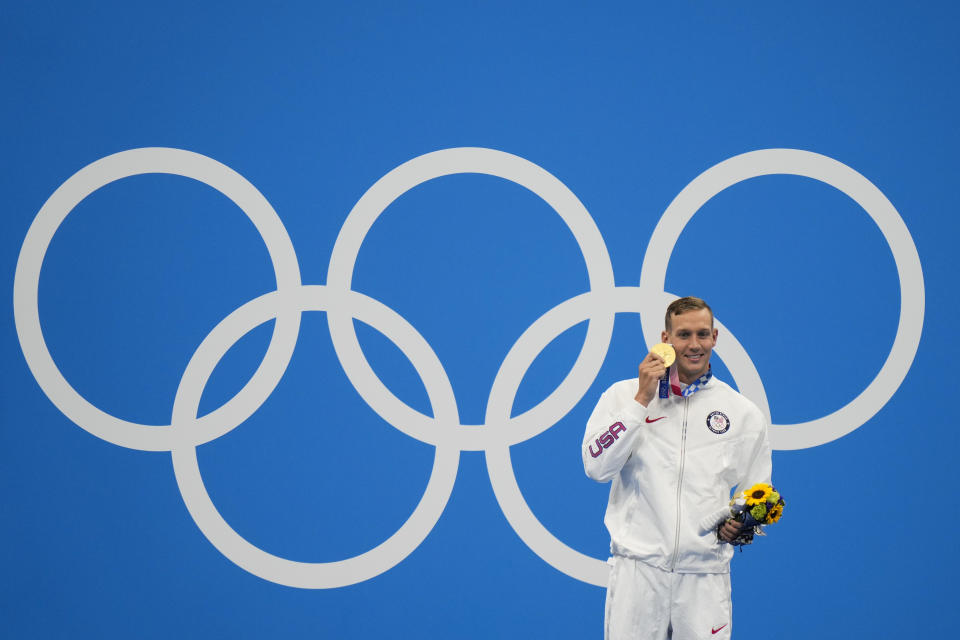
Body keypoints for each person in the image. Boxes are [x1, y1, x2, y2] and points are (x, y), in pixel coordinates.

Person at [582, 296, 772, 640]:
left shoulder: (742, 413)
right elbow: (596, 467)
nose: (694, 345)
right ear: (665, 340)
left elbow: (757, 492)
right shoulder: (623, 395)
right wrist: (641, 401)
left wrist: (742, 525)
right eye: (684, 335)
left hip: (704, 577)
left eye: (702, 334)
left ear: (715, 337)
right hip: (638, 572)